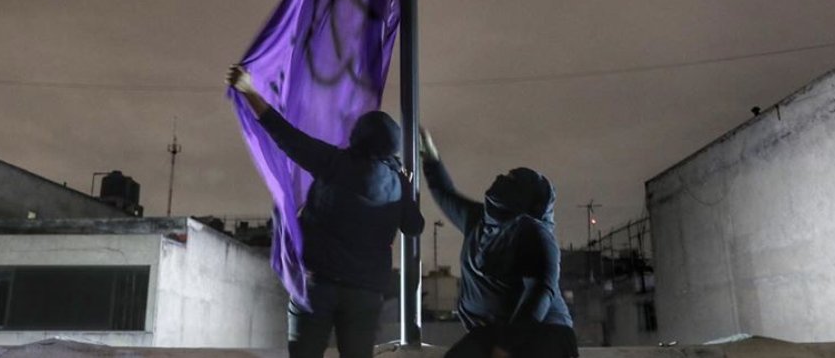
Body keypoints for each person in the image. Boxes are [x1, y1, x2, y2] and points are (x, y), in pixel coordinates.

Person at [228, 64, 424, 358]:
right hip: (365, 293)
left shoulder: (334, 162)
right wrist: (407, 188)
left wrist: (249, 90)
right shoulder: (397, 183)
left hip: (318, 285)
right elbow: (414, 226)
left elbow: (287, 137)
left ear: (358, 136)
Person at [420, 128, 578, 358]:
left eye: (512, 181)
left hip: (544, 332)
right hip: (493, 332)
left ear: (525, 200)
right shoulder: (477, 219)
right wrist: (431, 157)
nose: (501, 179)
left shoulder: (533, 233)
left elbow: (540, 292)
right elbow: (445, 194)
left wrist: (507, 346)